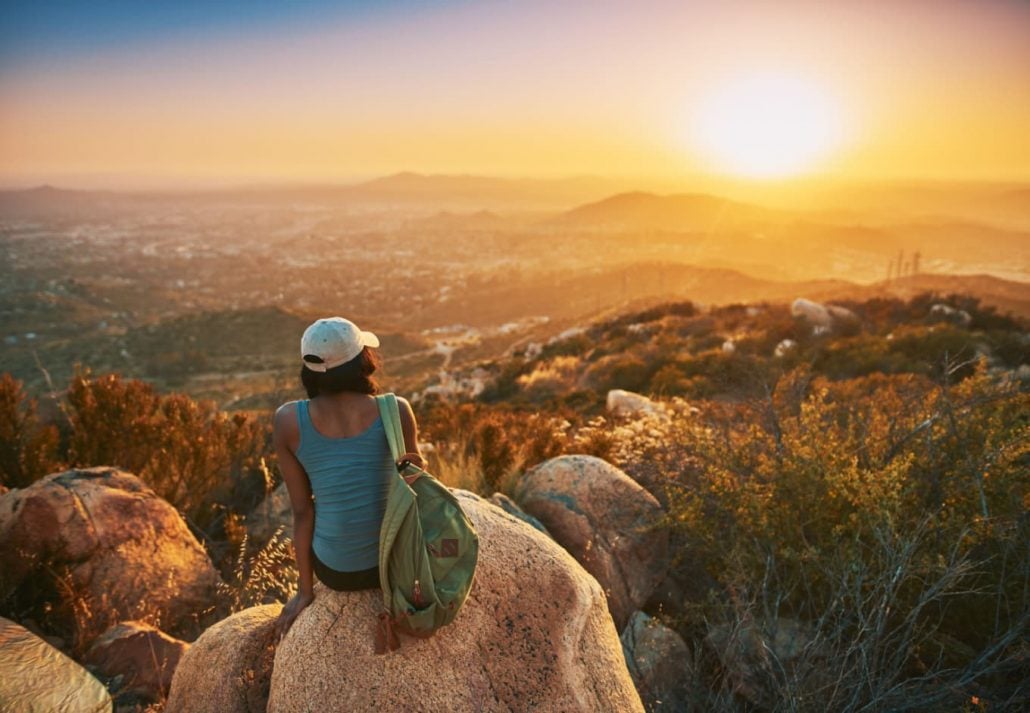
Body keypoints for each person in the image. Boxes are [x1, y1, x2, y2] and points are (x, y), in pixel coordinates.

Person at [272, 316, 425, 640]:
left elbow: (302, 512)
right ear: (362, 361)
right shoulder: (397, 410)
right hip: (394, 566)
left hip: (337, 572)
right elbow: (418, 488)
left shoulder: (288, 421)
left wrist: (305, 592)